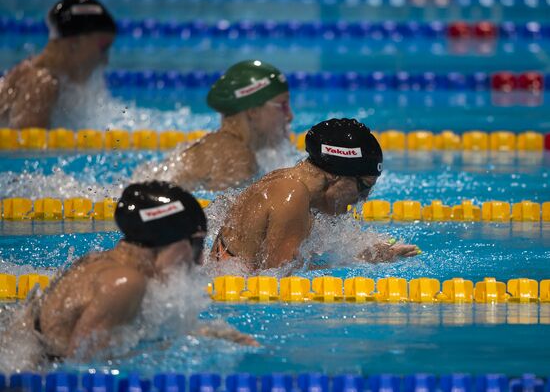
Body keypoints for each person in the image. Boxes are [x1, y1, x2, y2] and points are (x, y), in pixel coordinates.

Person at [4, 181, 256, 366]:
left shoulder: (106, 264)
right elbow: (81, 372)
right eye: (197, 245)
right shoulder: (124, 284)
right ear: (173, 240)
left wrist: (209, 334)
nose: (200, 260)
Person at [211, 118, 420, 271]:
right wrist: (355, 263)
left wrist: (366, 253)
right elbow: (278, 276)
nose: (363, 198)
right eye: (363, 186)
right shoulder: (293, 194)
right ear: (337, 176)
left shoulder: (288, 182)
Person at [134, 60, 294, 191]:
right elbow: (224, 225)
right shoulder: (237, 157)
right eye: (283, 105)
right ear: (253, 111)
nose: (289, 116)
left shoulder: (219, 146)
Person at [0, 0, 116, 128]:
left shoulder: (37, 71)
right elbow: (30, 145)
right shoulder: (42, 84)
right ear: (74, 42)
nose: (105, 60)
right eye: (103, 48)